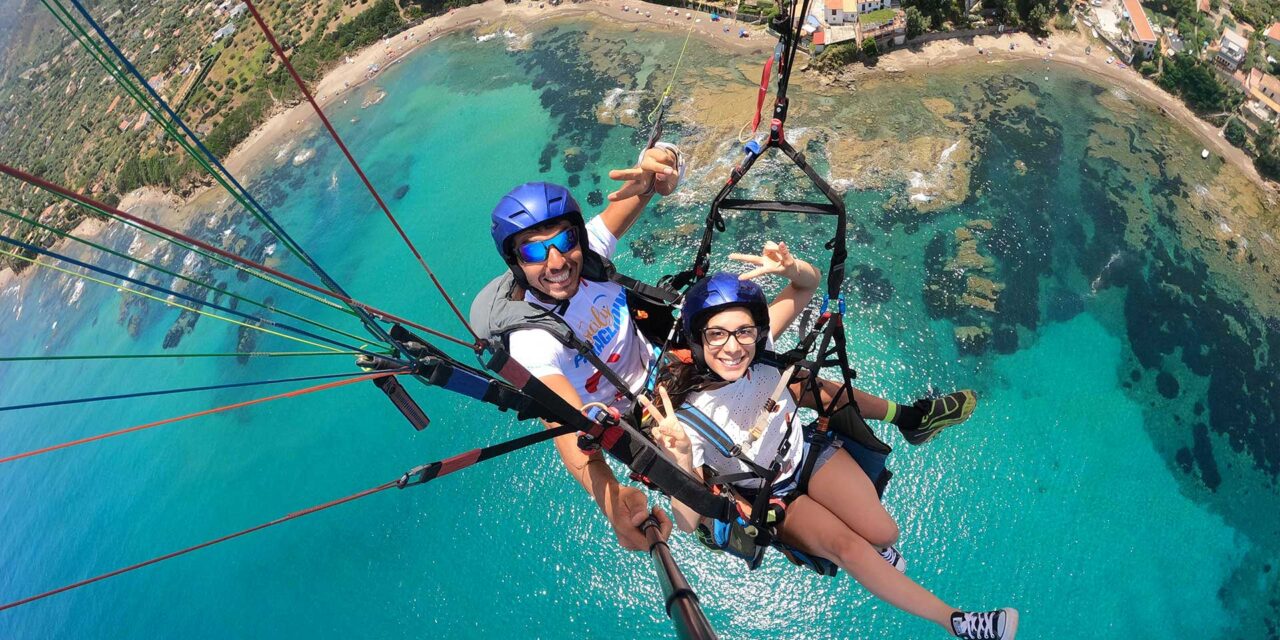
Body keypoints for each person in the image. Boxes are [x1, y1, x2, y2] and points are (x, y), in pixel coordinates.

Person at [473, 164, 977, 552]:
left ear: (576, 237)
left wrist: (663, 165)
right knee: (716, 457)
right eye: (536, 252)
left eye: (563, 241)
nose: (557, 261)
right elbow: (569, 424)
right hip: (640, 412)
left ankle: (910, 417)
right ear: (515, 262)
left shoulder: (592, 259)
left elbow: (646, 187)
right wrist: (608, 497)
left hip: (669, 363)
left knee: (791, 377)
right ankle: (724, 518)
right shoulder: (532, 339)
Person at [640, 257, 1018, 640]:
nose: (733, 347)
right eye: (716, 335)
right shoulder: (689, 418)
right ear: (697, 339)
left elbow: (806, 286)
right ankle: (958, 622)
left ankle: (881, 553)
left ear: (756, 331)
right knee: (850, 549)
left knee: (885, 534)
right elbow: (687, 523)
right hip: (771, 497)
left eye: (743, 332)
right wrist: (682, 459)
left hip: (808, 455)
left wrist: (790, 269)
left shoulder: (762, 349)